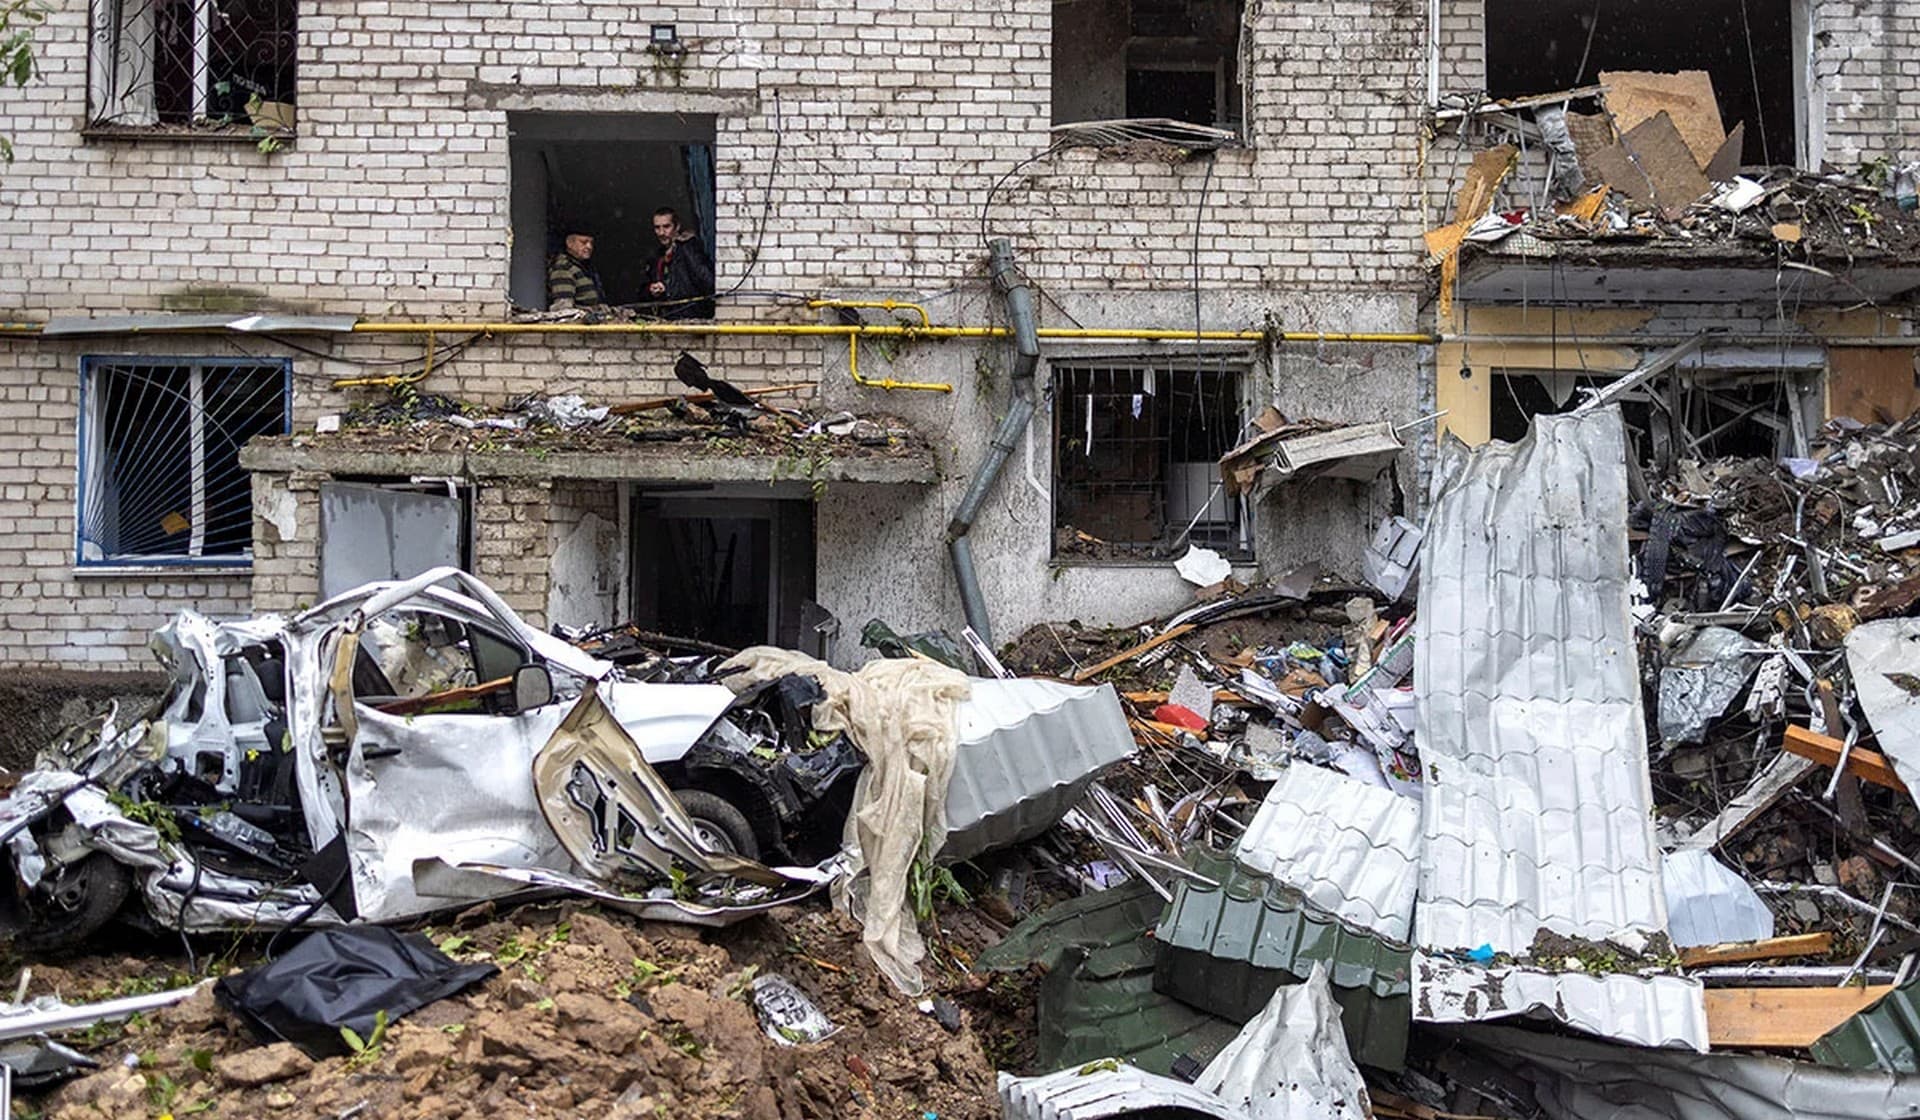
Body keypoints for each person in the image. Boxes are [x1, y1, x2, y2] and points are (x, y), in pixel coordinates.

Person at [644, 208, 715, 319]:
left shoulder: (689, 248)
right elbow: (642, 290)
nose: (661, 233)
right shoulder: (657, 256)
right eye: (657, 228)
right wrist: (651, 290)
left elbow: (707, 282)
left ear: (677, 227)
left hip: (691, 320)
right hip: (666, 320)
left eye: (666, 227)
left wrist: (668, 289)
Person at [546, 226, 604, 311]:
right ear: (569, 243)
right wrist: (592, 310)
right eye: (583, 242)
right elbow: (563, 308)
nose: (589, 247)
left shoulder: (582, 267)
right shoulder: (564, 268)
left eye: (591, 243)